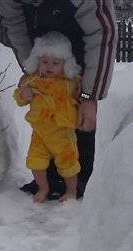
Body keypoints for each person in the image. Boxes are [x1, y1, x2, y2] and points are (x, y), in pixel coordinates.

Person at [0, 0, 117, 199]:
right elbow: (14, 23)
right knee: (47, 135)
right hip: (39, 41)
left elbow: (101, 35)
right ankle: (49, 179)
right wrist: (32, 67)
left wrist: (88, 96)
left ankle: (77, 181)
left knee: (75, 116)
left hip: (79, 38)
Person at [13, 32, 82, 203]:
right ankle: (43, 188)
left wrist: (82, 97)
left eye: (55, 63)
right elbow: (19, 97)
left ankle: (71, 191)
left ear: (66, 64)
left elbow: (83, 93)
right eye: (44, 62)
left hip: (62, 132)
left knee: (68, 163)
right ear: (37, 61)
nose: (49, 66)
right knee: (35, 162)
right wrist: (23, 94)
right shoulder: (33, 80)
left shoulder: (71, 81)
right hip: (40, 133)